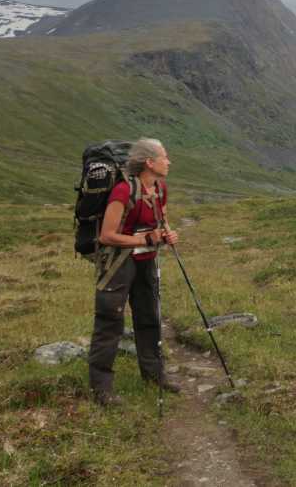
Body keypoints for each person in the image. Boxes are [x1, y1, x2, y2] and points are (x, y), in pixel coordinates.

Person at [88, 137, 181, 406]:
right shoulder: (122, 191)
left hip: (146, 262)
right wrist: (145, 240)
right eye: (165, 157)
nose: (169, 161)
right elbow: (106, 236)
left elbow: (161, 220)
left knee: (150, 316)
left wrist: (167, 234)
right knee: (110, 322)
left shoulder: (160, 188)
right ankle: (101, 389)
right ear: (150, 162)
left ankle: (154, 375)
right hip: (117, 264)